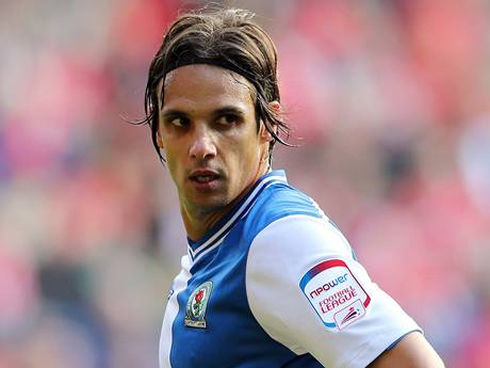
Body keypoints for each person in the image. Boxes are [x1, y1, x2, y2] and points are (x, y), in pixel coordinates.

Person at [139, 6, 445, 368]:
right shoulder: (219, 248)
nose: (202, 145)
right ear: (159, 134)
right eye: (180, 122)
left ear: (267, 125)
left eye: (226, 120)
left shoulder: (281, 239)